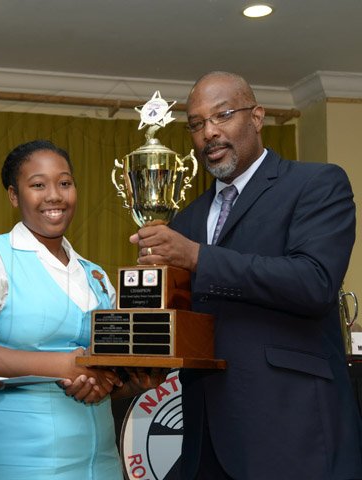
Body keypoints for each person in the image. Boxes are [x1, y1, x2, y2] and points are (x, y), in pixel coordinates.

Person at [130, 71, 362, 480]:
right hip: (205, 433)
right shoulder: (188, 217)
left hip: (293, 430)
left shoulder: (317, 183)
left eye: (222, 116)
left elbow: (315, 283)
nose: (209, 133)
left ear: (257, 117)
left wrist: (199, 257)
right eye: (197, 124)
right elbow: (187, 320)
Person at [0, 140, 162, 479]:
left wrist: (133, 381)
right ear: (14, 196)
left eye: (65, 182)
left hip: (99, 465)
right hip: (15, 463)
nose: (55, 195)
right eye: (38, 185)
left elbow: (111, 376)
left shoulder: (97, 276)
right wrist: (68, 365)